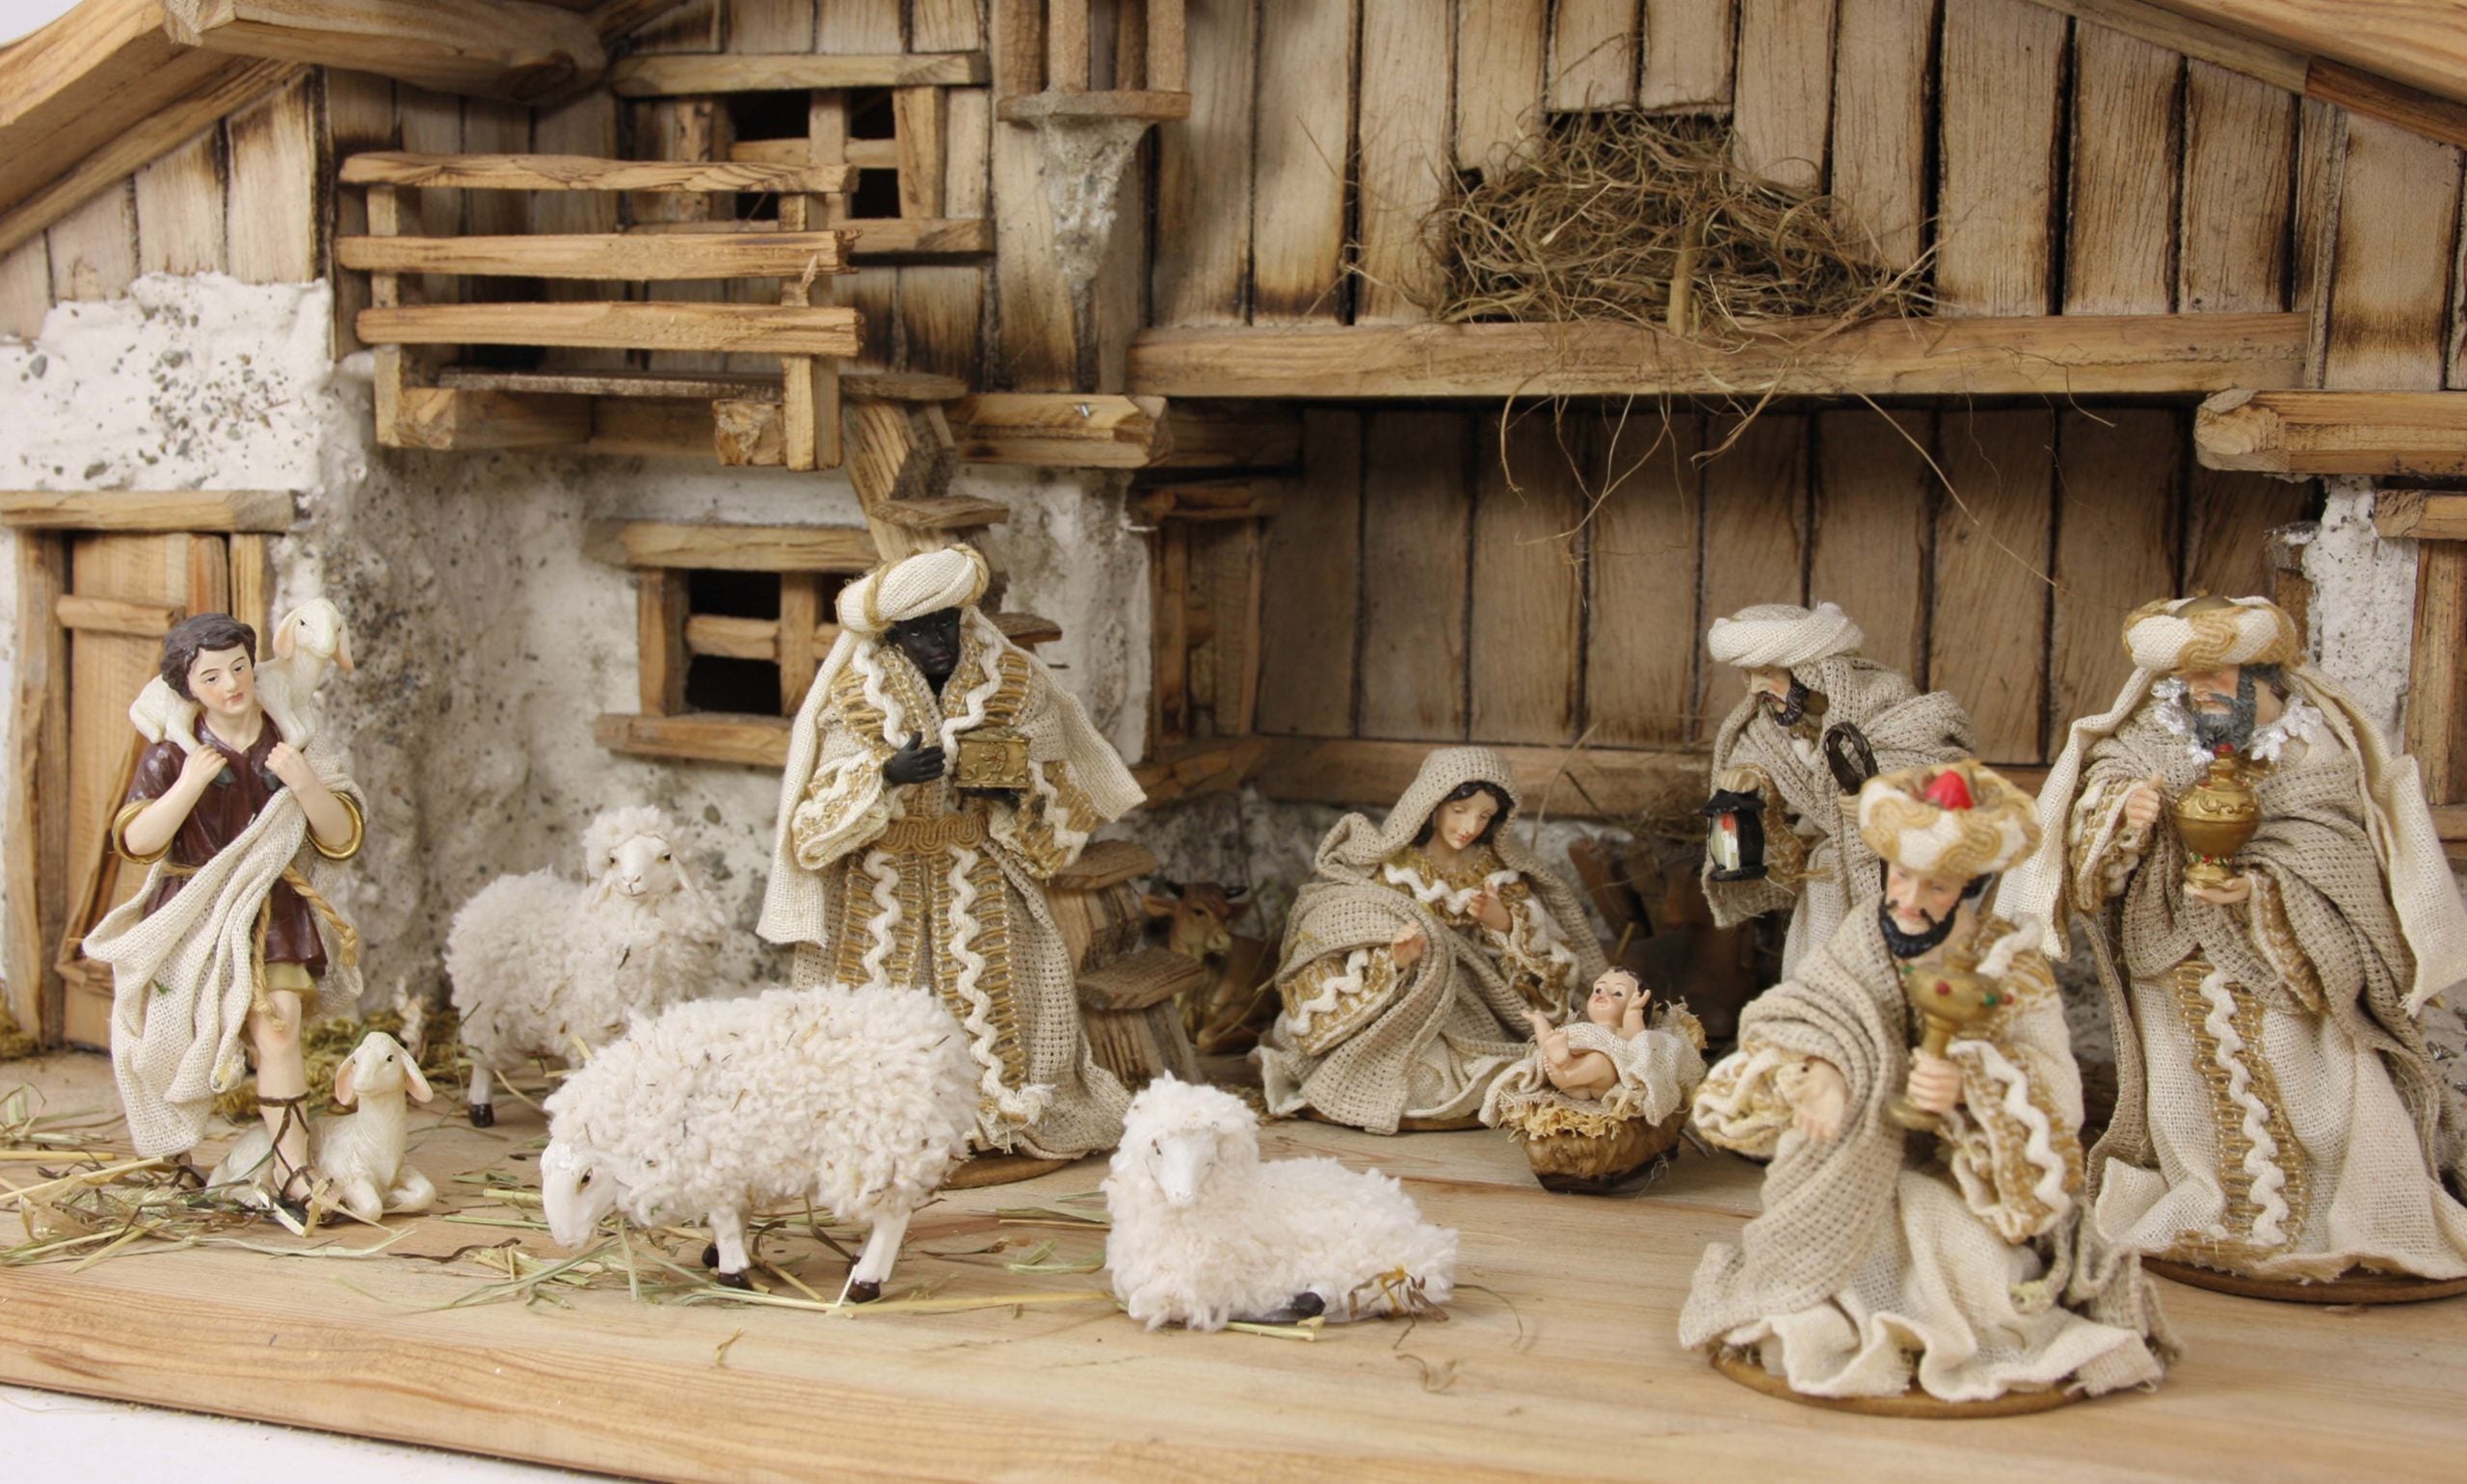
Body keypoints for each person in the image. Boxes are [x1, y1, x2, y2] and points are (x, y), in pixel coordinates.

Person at [2000, 595, 2467, 1284]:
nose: (2200, 690)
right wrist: (2124, 813)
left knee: (2313, 1089)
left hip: (2280, 957)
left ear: (2262, 678)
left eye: (2218, 675)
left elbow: (2334, 850)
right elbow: (2095, 802)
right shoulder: (2153, 735)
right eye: (2188, 678)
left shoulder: (2308, 748)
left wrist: (2259, 889)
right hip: (2172, 949)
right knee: (2187, 1093)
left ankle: (2331, 1212)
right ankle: (2211, 1207)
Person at [1684, 760, 2171, 1405]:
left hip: (1960, 1172)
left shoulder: (2008, 963)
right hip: (1859, 1144)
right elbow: (1807, 1006)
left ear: (1969, 886)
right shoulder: (1863, 936)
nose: (1909, 900)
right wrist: (1824, 1070)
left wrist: (1973, 1083)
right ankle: (1826, 1309)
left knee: (1956, 1245)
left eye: (1936, 886)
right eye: (1901, 876)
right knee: (1830, 1232)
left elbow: (2056, 1083)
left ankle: (1945, 1331)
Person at [758, 545, 1143, 1160]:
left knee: (1008, 990)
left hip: (978, 869)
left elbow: (1053, 782)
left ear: (963, 619)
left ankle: (1000, 1100)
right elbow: (814, 815)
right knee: (873, 1001)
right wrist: (885, 775)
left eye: (946, 626)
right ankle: (876, 1112)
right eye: (919, 632)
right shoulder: (855, 695)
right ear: (893, 637)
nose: (937, 642)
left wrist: (1009, 789)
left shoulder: (1013, 684)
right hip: (877, 882)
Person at [86, 612, 366, 1207]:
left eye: (239, 668)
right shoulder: (172, 755)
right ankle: (169, 1156)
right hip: (191, 919)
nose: (232, 685)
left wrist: (303, 782)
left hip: (270, 913)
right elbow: (136, 841)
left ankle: (293, 1169)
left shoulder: (294, 739)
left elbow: (341, 837)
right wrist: (189, 784)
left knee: (280, 1025)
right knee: (168, 1036)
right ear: (188, 688)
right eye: (211, 677)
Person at [1258, 747, 1604, 1132]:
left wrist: (1504, 921)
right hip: (1406, 994)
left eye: (1484, 816)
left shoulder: (1497, 873)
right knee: (1391, 1060)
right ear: (1432, 806)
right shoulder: (1392, 867)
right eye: (1460, 810)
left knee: (1451, 1070)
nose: (1470, 825)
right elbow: (1358, 920)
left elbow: (1547, 960)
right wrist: (1395, 957)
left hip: (1471, 1001)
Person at [1699, 601, 1974, 976]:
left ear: (1808, 670)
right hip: (1829, 873)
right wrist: (1752, 775)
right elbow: (1760, 753)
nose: (1756, 688)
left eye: (1766, 673)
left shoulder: (1884, 696)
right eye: (1748, 676)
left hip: (1896, 869)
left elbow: (1935, 762)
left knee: (1904, 966)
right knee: (1818, 964)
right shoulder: (1770, 722)